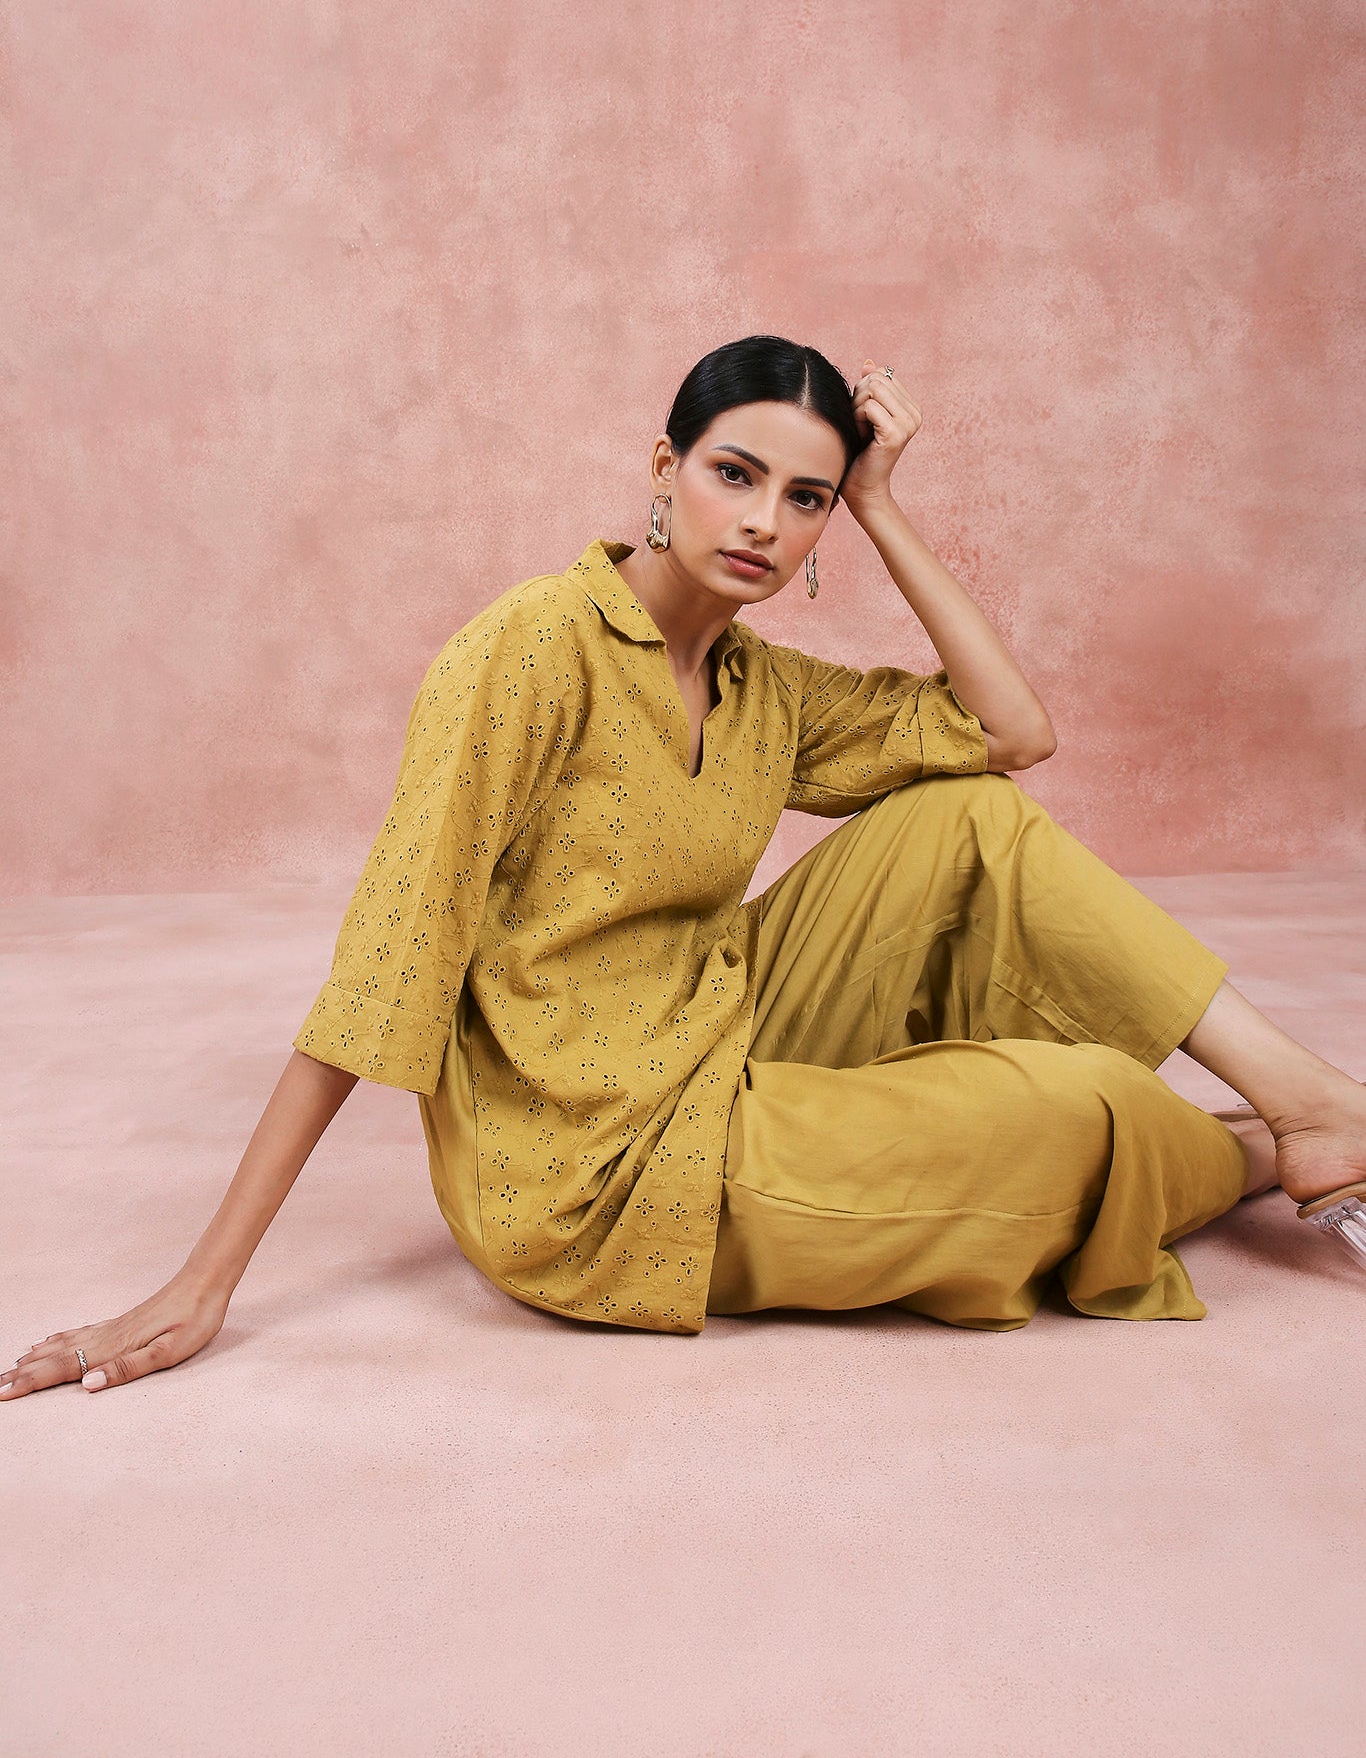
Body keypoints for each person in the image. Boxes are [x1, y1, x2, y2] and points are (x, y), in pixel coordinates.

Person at [5, 336, 1364, 1397]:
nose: (764, 520)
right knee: (1072, 1107)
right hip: (595, 1162)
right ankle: (1252, 1154)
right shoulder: (532, 649)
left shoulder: (761, 685)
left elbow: (1012, 735)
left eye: (805, 498)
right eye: (734, 473)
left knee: (969, 819)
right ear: (663, 468)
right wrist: (204, 1281)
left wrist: (884, 506)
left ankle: (1307, 1108)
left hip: (717, 1027)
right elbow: (387, 967)